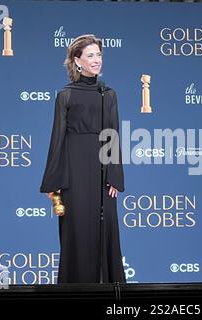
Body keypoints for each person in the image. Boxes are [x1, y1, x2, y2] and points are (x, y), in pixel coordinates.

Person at [40, 34, 125, 284]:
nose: (97, 60)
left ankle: (109, 292)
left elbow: (112, 135)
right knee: (76, 232)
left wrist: (114, 176)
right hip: (74, 172)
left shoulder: (108, 94)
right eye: (90, 55)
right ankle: (75, 292)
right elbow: (58, 139)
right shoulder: (65, 95)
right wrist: (54, 181)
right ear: (77, 61)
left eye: (99, 55)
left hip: (101, 172)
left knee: (105, 232)